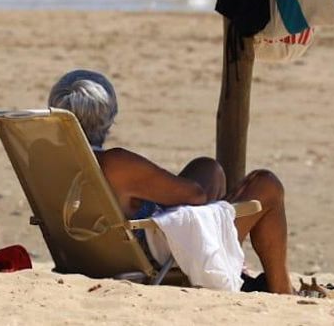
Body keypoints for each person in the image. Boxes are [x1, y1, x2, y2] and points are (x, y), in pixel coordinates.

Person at [48, 69, 293, 293]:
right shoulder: (115, 164)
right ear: (109, 118)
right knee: (267, 185)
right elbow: (194, 195)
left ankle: (232, 262)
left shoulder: (52, 159)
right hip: (161, 255)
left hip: (89, 251)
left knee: (208, 168)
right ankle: (282, 289)